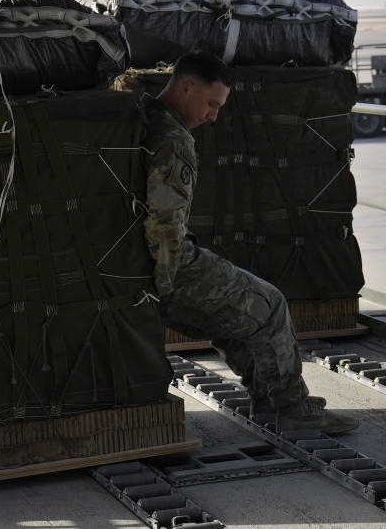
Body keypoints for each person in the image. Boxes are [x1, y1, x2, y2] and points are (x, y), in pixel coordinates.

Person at [143, 50, 357, 434]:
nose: (213, 116)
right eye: (211, 104)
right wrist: (164, 290)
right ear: (187, 87)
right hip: (164, 270)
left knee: (235, 315)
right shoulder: (173, 140)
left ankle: (270, 399)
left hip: (143, 268)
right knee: (269, 304)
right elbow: (163, 228)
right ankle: (291, 408)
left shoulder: (145, 117)